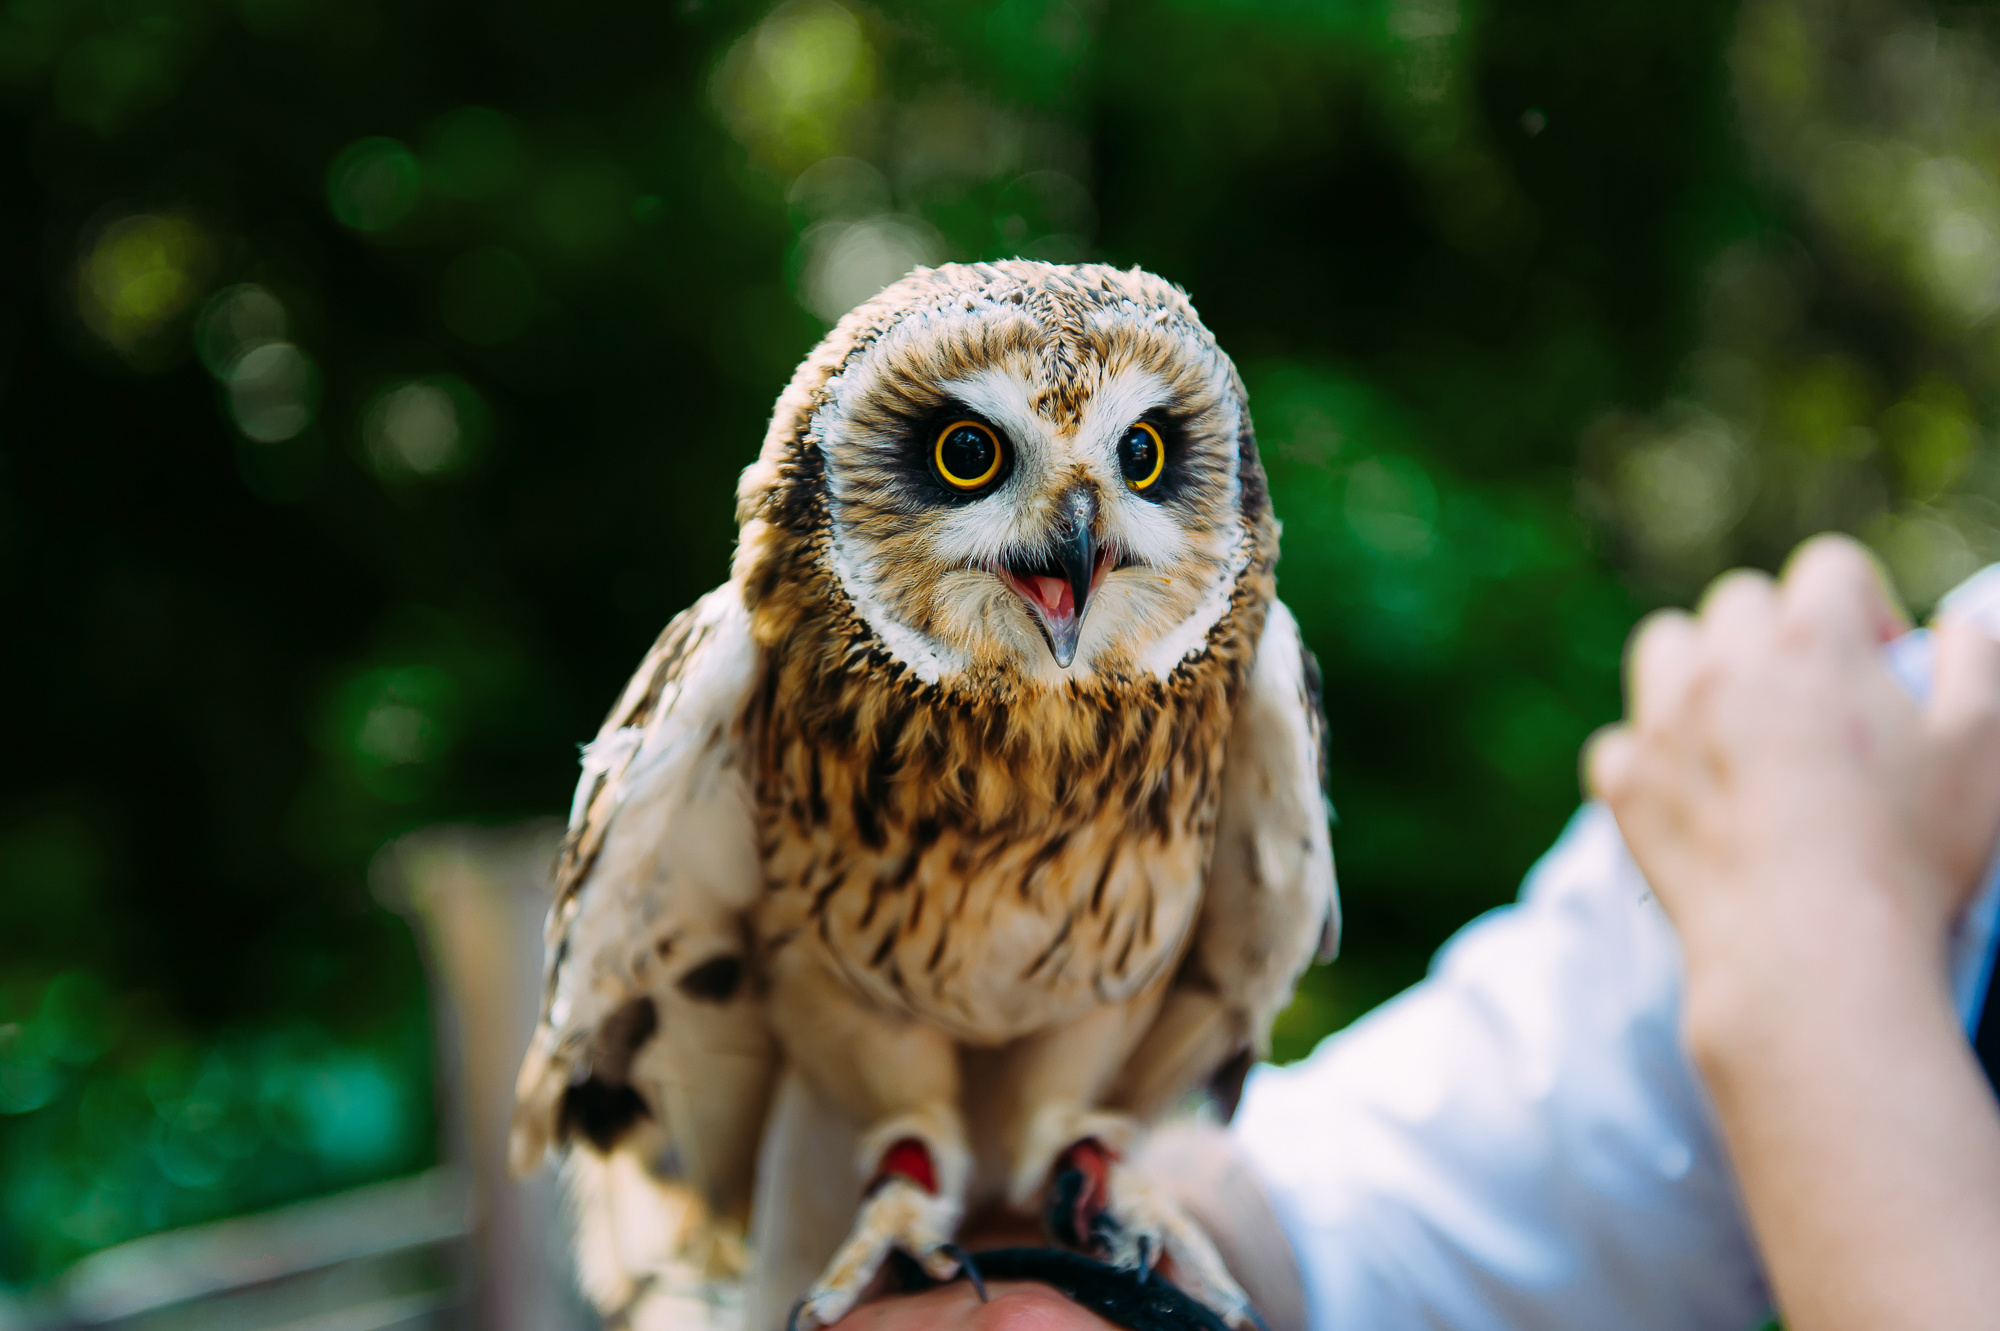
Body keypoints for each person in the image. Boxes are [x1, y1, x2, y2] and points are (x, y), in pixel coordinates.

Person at [834, 536, 2000, 1331]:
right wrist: (1086, 1253)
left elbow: (1797, 962)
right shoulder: (1938, 730)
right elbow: (1420, 1201)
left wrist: (1820, 990)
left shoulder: (1861, 849)